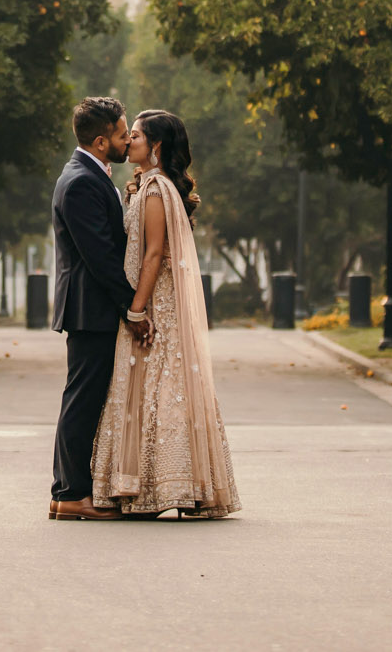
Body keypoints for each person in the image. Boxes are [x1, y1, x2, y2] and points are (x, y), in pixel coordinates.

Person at [89, 108, 241, 519]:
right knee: (156, 388)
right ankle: (155, 485)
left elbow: (154, 254)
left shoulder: (156, 192)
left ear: (155, 146)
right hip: (150, 300)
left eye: (135, 135)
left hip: (156, 304)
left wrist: (136, 311)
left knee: (162, 388)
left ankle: (169, 485)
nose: (129, 141)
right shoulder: (146, 187)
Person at [47, 96, 149, 520]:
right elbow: (101, 256)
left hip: (91, 307)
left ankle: (66, 493)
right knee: (82, 400)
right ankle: (71, 494)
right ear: (103, 141)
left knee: (83, 397)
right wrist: (132, 308)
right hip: (90, 309)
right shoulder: (82, 181)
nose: (129, 141)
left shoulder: (91, 174)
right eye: (124, 134)